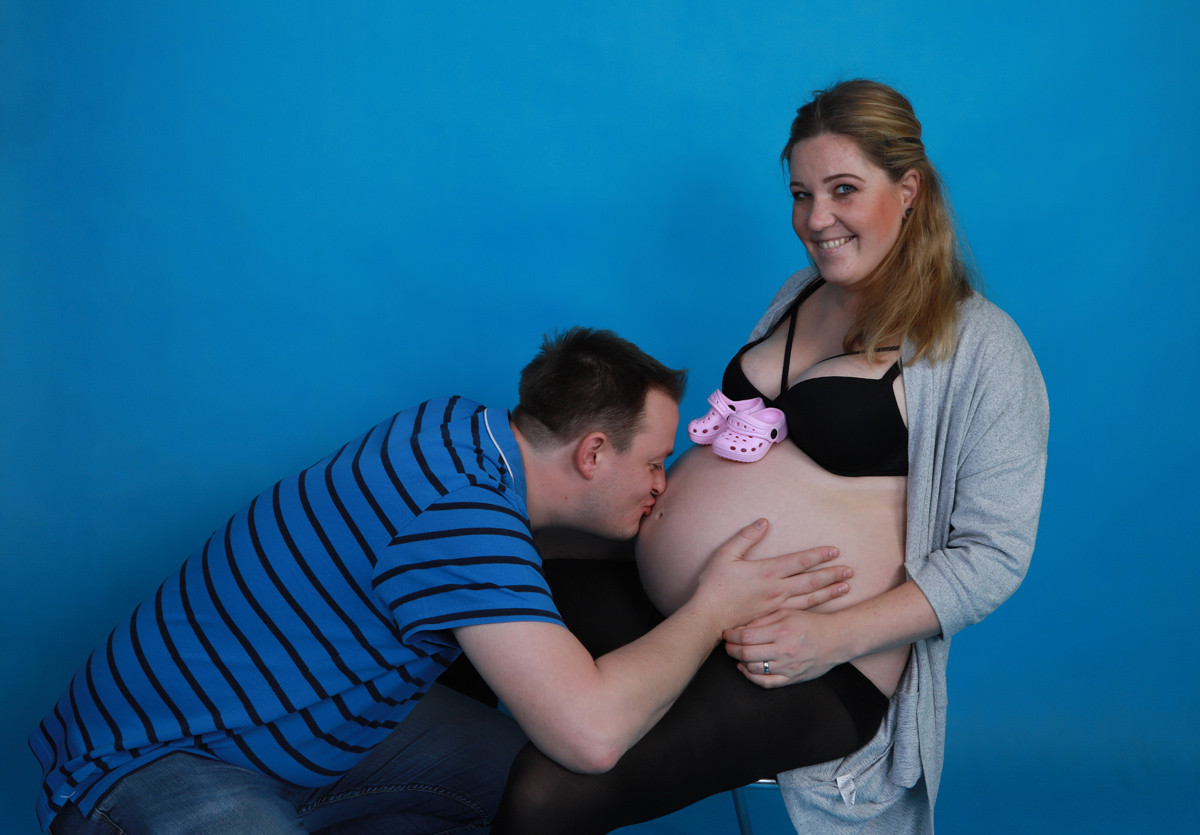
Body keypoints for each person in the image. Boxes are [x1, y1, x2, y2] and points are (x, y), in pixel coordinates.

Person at [492, 80, 1049, 834]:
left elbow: (993, 556)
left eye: (843, 190)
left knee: (546, 792)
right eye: (801, 194)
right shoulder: (800, 293)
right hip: (690, 609)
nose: (816, 219)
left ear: (908, 190)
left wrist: (830, 637)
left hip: (805, 662)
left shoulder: (980, 346)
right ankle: (418, 794)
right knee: (474, 582)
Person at [29, 327, 854, 835]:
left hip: (309, 738)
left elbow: (528, 547)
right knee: (576, 758)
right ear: (593, 452)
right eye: (654, 462)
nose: (662, 484)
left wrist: (679, 544)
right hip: (161, 755)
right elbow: (591, 732)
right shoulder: (462, 518)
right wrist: (714, 604)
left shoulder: (455, 431)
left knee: (538, 794)